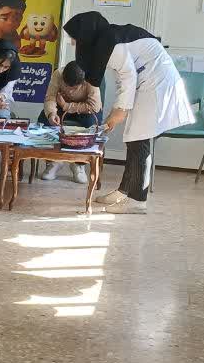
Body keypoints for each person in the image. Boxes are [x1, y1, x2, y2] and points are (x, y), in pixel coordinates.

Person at [63, 11, 194, 214]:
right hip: (148, 83)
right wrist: (117, 110)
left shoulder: (112, 43)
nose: (74, 43)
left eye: (75, 38)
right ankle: (124, 192)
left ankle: (136, 200)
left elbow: (128, 77)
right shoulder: (108, 40)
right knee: (134, 137)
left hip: (156, 84)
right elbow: (123, 78)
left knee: (138, 139)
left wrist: (120, 110)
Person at [37, 62, 102, 184]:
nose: (71, 91)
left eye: (74, 88)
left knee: (91, 125)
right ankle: (53, 161)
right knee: (43, 121)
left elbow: (95, 106)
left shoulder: (91, 78)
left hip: (85, 110)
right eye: (67, 86)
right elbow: (50, 97)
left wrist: (66, 106)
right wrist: (51, 114)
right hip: (61, 107)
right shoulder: (58, 74)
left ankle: (79, 164)